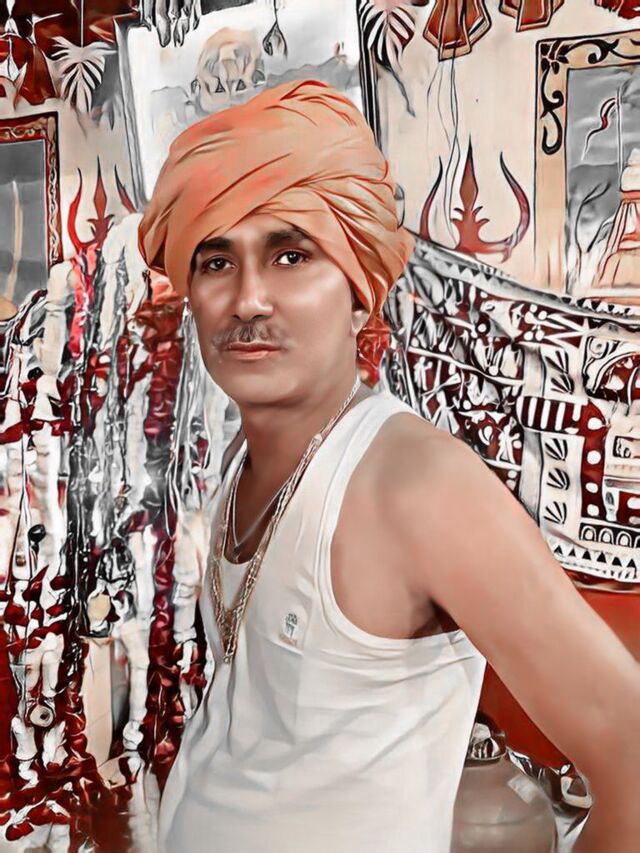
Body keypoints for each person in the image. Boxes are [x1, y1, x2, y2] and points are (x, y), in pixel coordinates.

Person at [138, 79, 640, 853]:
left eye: (291, 254)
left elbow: (631, 749)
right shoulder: (242, 462)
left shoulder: (416, 483)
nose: (248, 300)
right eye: (215, 261)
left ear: (358, 290)